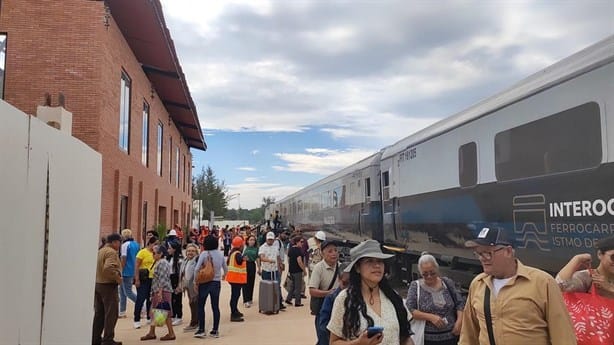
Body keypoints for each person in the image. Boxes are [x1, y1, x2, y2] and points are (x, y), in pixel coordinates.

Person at [459, 227, 576, 345]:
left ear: (508, 251)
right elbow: (468, 335)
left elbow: (563, 335)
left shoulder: (542, 282)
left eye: (488, 253)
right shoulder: (478, 284)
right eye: (479, 253)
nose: (482, 259)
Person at [327, 239, 413, 345]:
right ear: (357, 268)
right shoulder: (345, 299)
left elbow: (405, 337)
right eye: (369, 261)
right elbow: (333, 342)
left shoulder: (393, 297)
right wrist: (358, 343)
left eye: (379, 261)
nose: (376, 265)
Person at [406, 253, 464, 345]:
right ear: (420, 273)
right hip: (427, 339)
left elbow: (460, 303)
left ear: (437, 269)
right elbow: (411, 310)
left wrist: (459, 321)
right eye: (425, 274)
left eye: (432, 273)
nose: (429, 276)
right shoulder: (415, 286)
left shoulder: (447, 282)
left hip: (452, 336)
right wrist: (431, 317)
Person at [193, 235, 228, 339]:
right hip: (216, 282)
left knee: (201, 306)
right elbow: (225, 269)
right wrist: (223, 275)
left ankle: (201, 329)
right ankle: (215, 330)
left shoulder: (204, 254)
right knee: (215, 306)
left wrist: (196, 281)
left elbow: (196, 269)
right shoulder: (220, 254)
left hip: (204, 282)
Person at [92, 233, 123, 345]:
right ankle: (108, 339)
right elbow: (108, 268)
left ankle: (95, 338)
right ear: (115, 242)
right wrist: (117, 278)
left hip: (98, 284)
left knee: (99, 313)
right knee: (111, 313)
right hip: (108, 285)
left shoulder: (101, 251)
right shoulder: (111, 252)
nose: (119, 245)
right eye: (119, 242)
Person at [140, 245, 176, 341]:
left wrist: (160, 293)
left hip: (162, 291)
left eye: (154, 253)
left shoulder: (162, 263)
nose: (153, 254)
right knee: (156, 311)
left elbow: (163, 279)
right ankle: (152, 332)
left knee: (165, 312)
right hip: (159, 290)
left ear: (160, 254)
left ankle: (171, 333)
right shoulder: (159, 262)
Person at [309, 241, 339, 344]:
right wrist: (328, 293)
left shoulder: (342, 267)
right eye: (330, 251)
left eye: (335, 250)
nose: (334, 253)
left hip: (338, 310)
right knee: (323, 337)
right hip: (323, 310)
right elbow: (312, 291)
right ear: (322, 253)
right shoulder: (319, 268)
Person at [318, 262, 350, 345]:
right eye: (345, 283)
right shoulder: (331, 298)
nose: (348, 288)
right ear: (339, 280)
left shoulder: (359, 297)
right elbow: (323, 324)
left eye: (351, 283)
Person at [258, 231, 287, 310]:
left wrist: (281, 264)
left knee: (276, 287)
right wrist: (269, 260)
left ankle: (278, 303)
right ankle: (266, 304)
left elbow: (278, 257)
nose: (270, 241)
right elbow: (262, 257)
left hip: (275, 270)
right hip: (266, 270)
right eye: (269, 239)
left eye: (271, 239)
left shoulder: (275, 247)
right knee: (266, 287)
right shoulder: (262, 247)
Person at [133, 236, 157, 329]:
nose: (156, 246)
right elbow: (137, 266)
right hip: (144, 279)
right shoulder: (142, 252)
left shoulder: (156, 253)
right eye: (155, 244)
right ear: (150, 243)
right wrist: (137, 278)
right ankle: (137, 319)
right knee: (141, 298)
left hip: (153, 279)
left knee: (150, 299)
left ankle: (148, 316)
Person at [119, 228, 139, 318]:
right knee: (122, 291)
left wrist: (120, 270)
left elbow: (123, 258)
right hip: (133, 269)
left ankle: (142, 306)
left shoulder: (124, 245)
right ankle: (122, 311)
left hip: (126, 270)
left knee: (128, 292)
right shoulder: (136, 244)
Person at [226, 236, 247, 321]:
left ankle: (235, 311)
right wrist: (244, 259)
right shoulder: (237, 254)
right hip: (236, 279)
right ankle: (233, 314)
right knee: (235, 296)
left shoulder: (232, 253)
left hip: (233, 278)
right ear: (240, 245)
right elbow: (239, 261)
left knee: (235, 295)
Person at [180, 243, 200, 331]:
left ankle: (195, 323)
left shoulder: (197, 261)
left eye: (192, 251)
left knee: (195, 304)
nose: (190, 253)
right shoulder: (185, 260)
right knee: (192, 304)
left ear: (196, 252)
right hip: (188, 287)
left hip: (195, 287)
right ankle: (195, 322)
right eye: (188, 251)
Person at [285, 235, 306, 307]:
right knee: (298, 287)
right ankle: (297, 302)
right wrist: (304, 270)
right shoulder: (298, 251)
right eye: (301, 242)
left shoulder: (291, 249)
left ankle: (288, 298)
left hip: (292, 270)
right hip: (297, 271)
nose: (302, 243)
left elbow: (288, 259)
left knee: (293, 286)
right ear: (297, 242)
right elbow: (299, 262)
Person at [166, 242, 183, 325]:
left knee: (177, 298)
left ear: (174, 249)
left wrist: (180, 284)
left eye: (170, 248)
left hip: (176, 279)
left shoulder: (179, 259)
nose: (168, 250)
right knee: (171, 298)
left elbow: (181, 272)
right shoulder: (168, 258)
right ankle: (173, 315)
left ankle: (179, 316)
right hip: (170, 279)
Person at [242, 235, 259, 308]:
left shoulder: (256, 249)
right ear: (247, 241)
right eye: (250, 240)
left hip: (252, 264)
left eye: (253, 240)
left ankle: (250, 298)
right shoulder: (244, 247)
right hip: (245, 265)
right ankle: (245, 299)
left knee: (251, 282)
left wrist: (259, 268)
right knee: (245, 282)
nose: (252, 241)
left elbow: (257, 258)